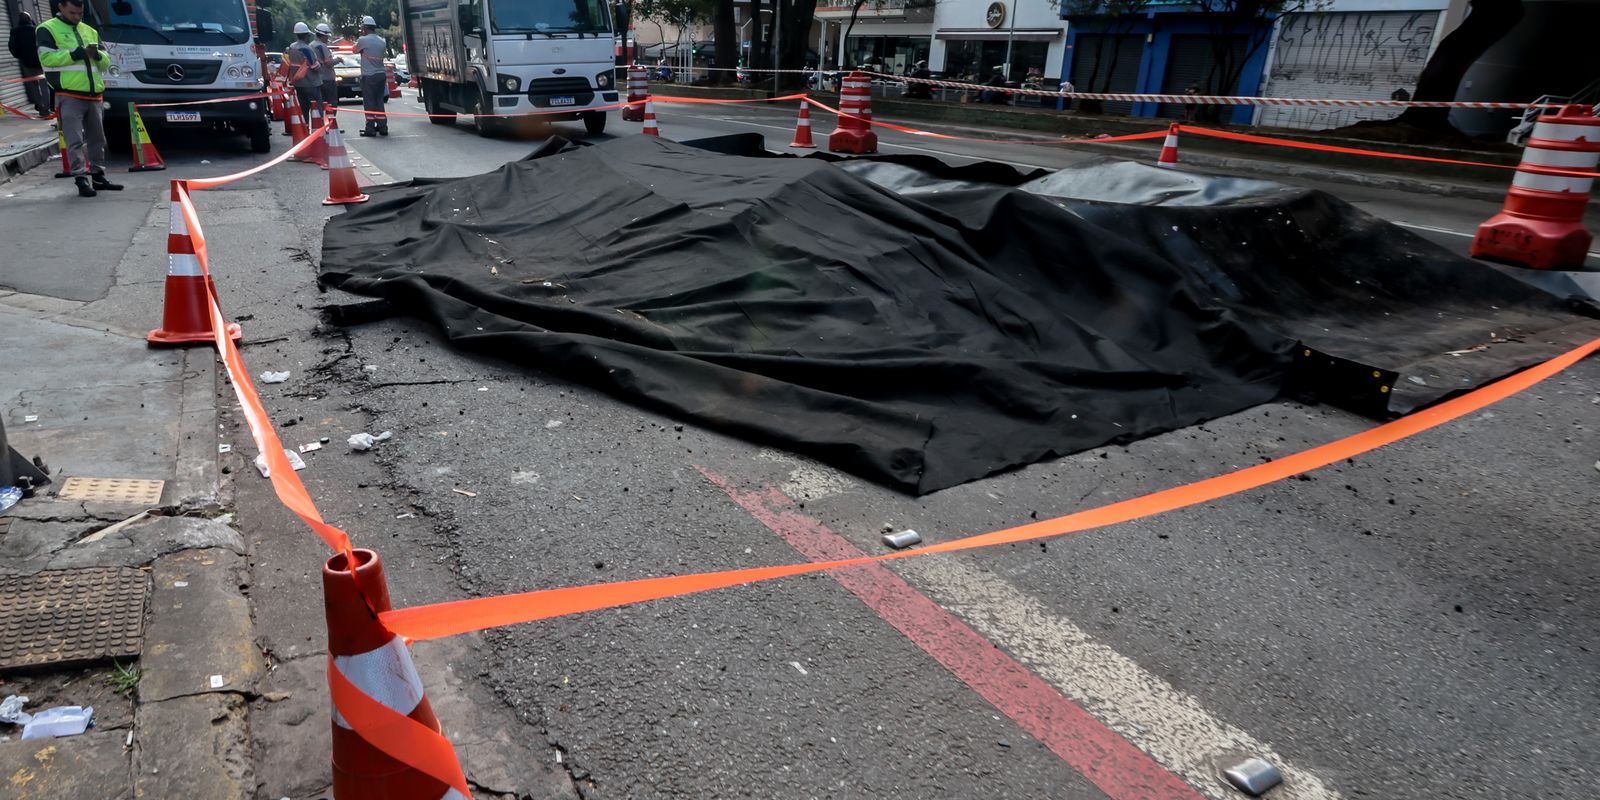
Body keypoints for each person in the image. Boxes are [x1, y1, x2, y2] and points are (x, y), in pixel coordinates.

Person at [36, 0, 122, 197]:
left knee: (98, 139)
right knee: (74, 139)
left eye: (80, 13)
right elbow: (47, 59)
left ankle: (98, 176)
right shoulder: (47, 29)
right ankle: (81, 178)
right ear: (61, 7)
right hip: (68, 93)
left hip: (94, 94)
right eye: (73, 13)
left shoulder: (89, 31)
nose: (77, 17)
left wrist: (97, 55)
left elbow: (106, 61)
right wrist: (77, 53)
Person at [9, 11, 51, 115]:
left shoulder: (15, 32)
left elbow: (12, 47)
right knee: (44, 85)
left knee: (34, 86)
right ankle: (46, 108)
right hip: (40, 61)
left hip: (27, 64)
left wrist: (20, 56)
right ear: (30, 19)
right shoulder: (36, 30)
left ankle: (41, 108)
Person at [351, 15, 388, 136]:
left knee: (369, 102)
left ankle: (370, 128)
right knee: (379, 101)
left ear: (365, 28)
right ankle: (383, 127)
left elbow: (354, 50)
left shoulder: (363, 40)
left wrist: (360, 42)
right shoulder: (382, 41)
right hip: (381, 75)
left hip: (369, 76)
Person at [287, 22, 323, 125]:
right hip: (311, 84)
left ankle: (305, 130)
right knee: (316, 109)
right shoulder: (306, 49)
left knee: (303, 110)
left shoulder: (291, 47)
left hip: (299, 84)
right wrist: (319, 64)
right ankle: (318, 131)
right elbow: (314, 67)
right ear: (306, 35)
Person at [314, 23, 338, 114]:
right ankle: (331, 124)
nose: (327, 38)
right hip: (328, 78)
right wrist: (338, 60)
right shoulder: (322, 46)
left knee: (321, 103)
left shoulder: (311, 45)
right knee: (331, 102)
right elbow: (329, 63)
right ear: (323, 36)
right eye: (327, 36)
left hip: (317, 79)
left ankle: (322, 122)